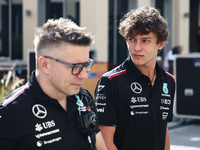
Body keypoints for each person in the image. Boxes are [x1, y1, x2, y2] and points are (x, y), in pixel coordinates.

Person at [0, 18, 107, 150]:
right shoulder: (10, 113)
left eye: (85, 65)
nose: (84, 75)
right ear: (45, 65)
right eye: (75, 66)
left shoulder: (84, 98)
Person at [95, 6, 175, 150]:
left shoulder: (169, 80)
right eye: (132, 39)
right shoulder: (111, 81)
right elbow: (104, 142)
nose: (136, 48)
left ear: (160, 44)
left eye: (145, 41)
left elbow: (164, 130)